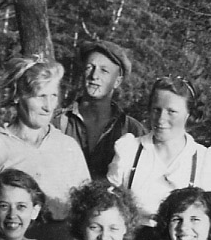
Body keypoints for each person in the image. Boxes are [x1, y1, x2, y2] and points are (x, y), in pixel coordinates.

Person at [0, 56, 89, 240]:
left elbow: (84, 211)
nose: (49, 106)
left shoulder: (68, 146)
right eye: (40, 96)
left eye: (53, 96)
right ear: (17, 96)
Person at [107, 76, 211, 240]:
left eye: (171, 111)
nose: (161, 119)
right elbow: (109, 209)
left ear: (189, 114)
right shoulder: (130, 150)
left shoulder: (205, 160)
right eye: (156, 109)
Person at [56, 39, 145, 178]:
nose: (94, 76)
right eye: (89, 68)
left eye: (104, 71)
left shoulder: (133, 131)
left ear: (117, 81)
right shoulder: (57, 122)